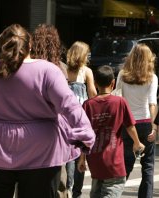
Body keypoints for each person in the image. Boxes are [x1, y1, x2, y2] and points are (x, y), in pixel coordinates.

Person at [0, 23, 95, 198]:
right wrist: (85, 134)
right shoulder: (47, 71)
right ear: (30, 46)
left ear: (2, 45)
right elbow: (69, 105)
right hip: (41, 151)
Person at [78, 65, 145, 198]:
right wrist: (137, 143)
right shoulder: (120, 102)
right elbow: (130, 126)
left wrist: (81, 159)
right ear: (113, 83)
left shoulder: (87, 104)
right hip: (114, 164)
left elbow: (83, 135)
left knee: (96, 191)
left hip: (95, 162)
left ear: (95, 83)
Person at [30, 23, 69, 197]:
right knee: (58, 181)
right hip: (53, 130)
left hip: (27, 130)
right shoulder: (60, 69)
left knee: (26, 178)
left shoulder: (25, 67)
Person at [116, 43, 158, 198]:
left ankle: (115, 193)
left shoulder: (122, 74)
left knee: (125, 164)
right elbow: (152, 103)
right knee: (148, 166)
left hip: (127, 124)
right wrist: (154, 127)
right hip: (146, 122)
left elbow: (118, 97)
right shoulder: (152, 77)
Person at [65, 40, 97, 198]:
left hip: (65, 116)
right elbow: (92, 94)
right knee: (79, 152)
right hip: (81, 117)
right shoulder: (86, 71)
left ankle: (67, 188)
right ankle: (75, 191)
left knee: (67, 154)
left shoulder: (63, 70)